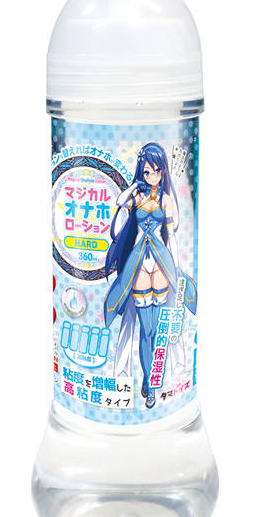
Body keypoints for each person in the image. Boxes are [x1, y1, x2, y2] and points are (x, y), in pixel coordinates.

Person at [104, 142, 197, 408]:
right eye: (147, 171)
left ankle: (153, 381)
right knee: (146, 329)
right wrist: (135, 185)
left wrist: (176, 267)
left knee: (158, 329)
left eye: (157, 171)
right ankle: (148, 380)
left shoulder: (166, 200)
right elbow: (120, 201)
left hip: (160, 260)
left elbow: (172, 236)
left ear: (163, 171)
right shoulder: (137, 197)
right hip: (138, 262)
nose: (153, 176)